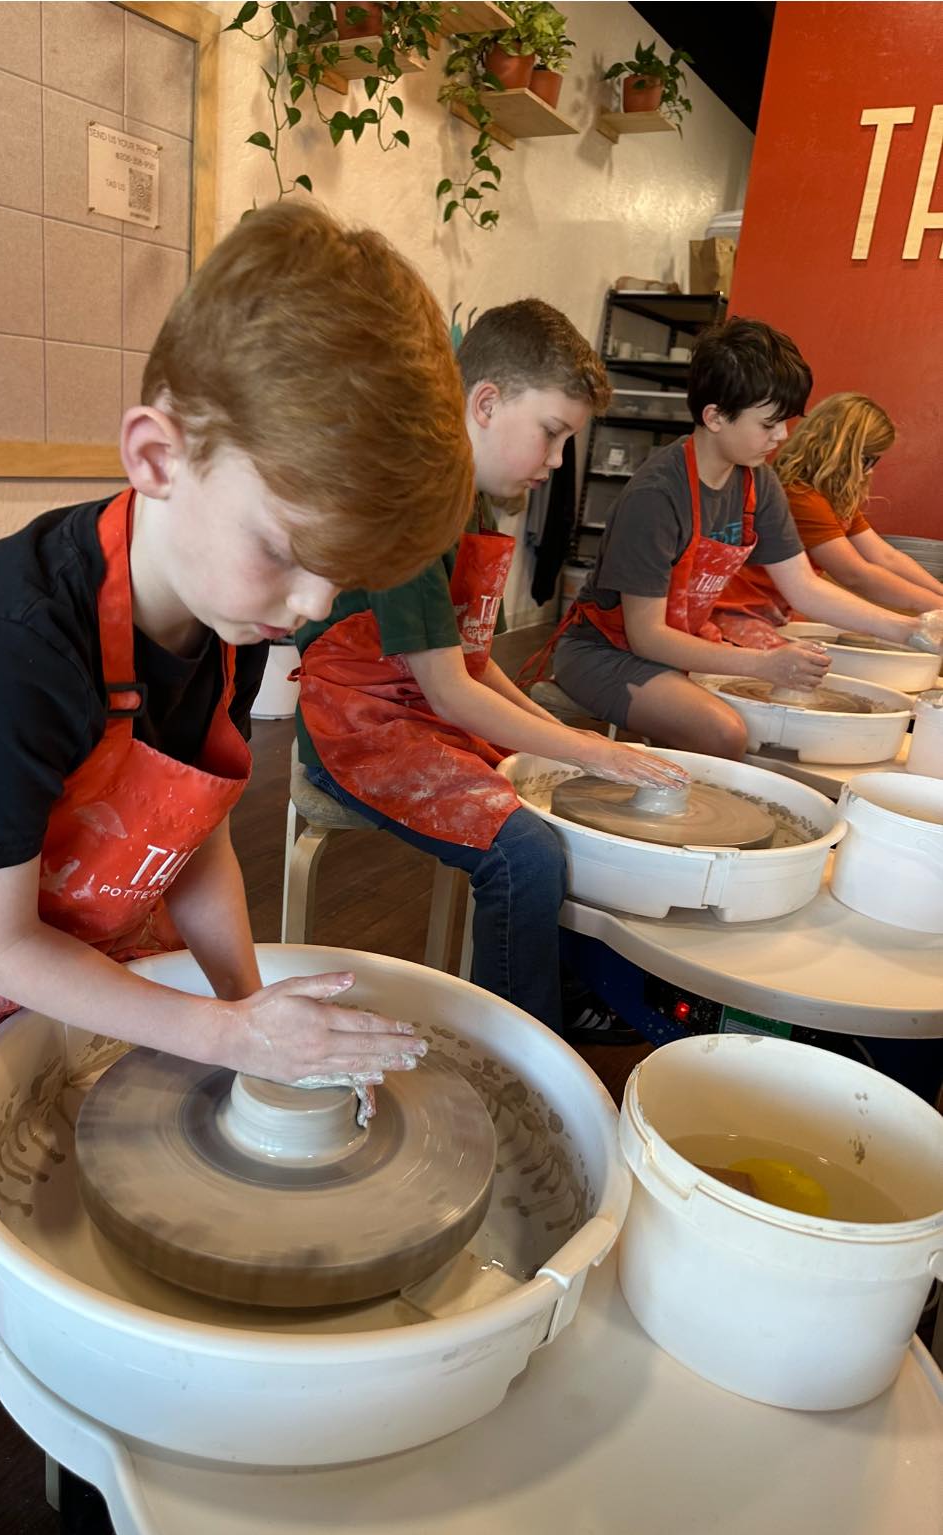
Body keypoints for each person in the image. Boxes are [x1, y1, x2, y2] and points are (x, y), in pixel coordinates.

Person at [0, 203, 475, 1535]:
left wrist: (245, 1006)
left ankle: (94, 1483)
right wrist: (217, 1037)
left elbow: (192, 826)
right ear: (156, 454)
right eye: (286, 549)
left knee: (121, 1240)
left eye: (342, 578)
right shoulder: (3, 647)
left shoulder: (220, 611)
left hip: (44, 950)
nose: (308, 601)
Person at [294, 299, 687, 1041]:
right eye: (552, 433)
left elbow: (470, 667)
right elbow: (450, 689)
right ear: (485, 403)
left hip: (423, 709)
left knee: (564, 795)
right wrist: (590, 748)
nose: (557, 461)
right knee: (525, 851)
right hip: (356, 727)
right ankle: (514, 1047)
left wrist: (562, 741)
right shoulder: (413, 505)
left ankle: (559, 989)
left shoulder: (474, 504)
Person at [539, 319, 942, 758]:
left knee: (784, 722)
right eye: (768, 424)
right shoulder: (656, 496)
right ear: (714, 417)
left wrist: (910, 630)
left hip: (683, 642)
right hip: (606, 652)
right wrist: (761, 664)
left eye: (785, 422)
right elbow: (648, 638)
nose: (782, 436)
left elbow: (804, 587)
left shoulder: (757, 483)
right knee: (726, 732)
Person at [711, 392, 943, 639]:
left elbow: (887, 557)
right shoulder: (800, 497)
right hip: (735, 613)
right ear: (843, 452)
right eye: (867, 459)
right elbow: (855, 574)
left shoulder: (829, 498)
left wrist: (940, 594)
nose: (869, 470)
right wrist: (930, 607)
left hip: (771, 609)